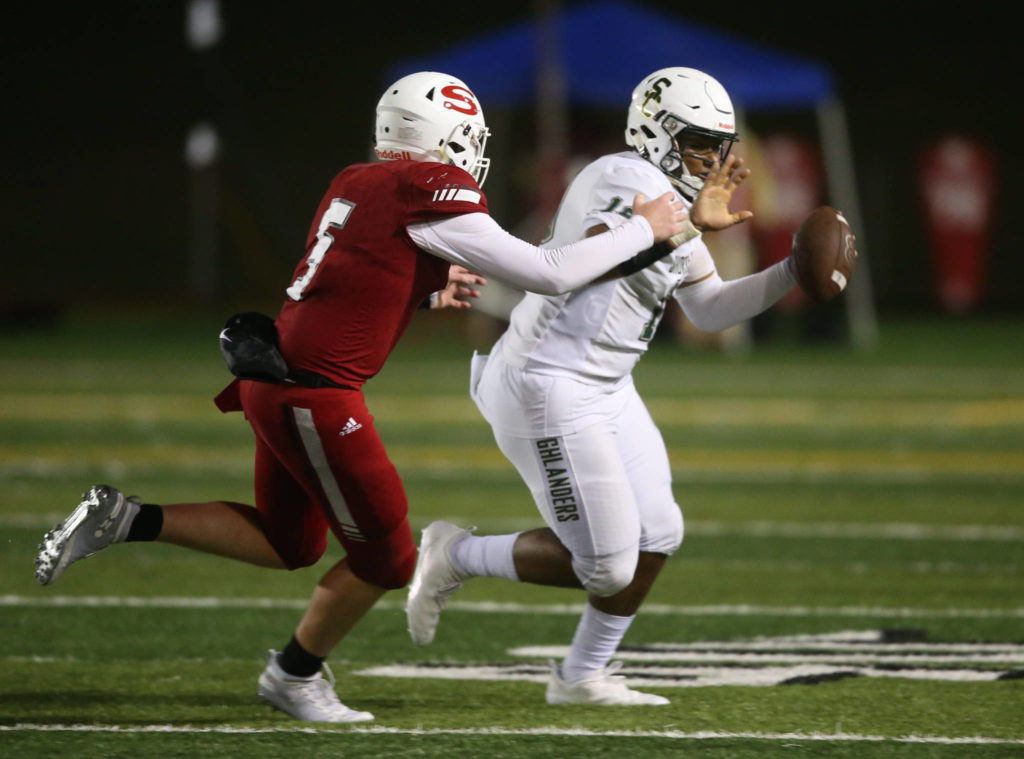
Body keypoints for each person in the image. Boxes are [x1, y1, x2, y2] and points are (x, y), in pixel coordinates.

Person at [32, 70, 700, 724]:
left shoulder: (356, 179)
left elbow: (360, 270)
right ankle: (293, 674)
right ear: (446, 137)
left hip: (272, 379)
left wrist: (431, 286)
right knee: (389, 557)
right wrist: (644, 227)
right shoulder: (427, 182)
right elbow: (550, 272)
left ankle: (126, 518)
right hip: (315, 395)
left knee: (289, 540)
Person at [406, 67, 799, 706]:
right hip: (547, 382)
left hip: (606, 386)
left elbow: (710, 310)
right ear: (656, 131)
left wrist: (794, 270)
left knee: (659, 532)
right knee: (607, 565)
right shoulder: (625, 177)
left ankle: (582, 676)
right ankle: (456, 554)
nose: (711, 159)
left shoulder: (670, 194)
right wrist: (687, 225)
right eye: (699, 142)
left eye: (718, 146)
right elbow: (591, 260)